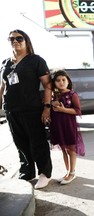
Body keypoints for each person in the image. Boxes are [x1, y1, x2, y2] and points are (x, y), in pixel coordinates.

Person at [0, 29, 53, 189]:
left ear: (26, 40)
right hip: (11, 110)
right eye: (11, 39)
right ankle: (27, 172)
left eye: (19, 38)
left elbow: (47, 85)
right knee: (20, 143)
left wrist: (47, 108)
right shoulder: (5, 63)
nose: (15, 41)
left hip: (32, 108)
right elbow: (2, 86)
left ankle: (45, 173)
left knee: (37, 142)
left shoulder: (36, 60)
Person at [49, 69, 85, 185]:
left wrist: (63, 109)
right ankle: (67, 172)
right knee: (63, 149)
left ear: (68, 81)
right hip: (57, 125)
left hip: (68, 125)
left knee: (71, 149)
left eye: (63, 80)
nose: (61, 82)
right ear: (54, 83)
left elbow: (78, 111)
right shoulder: (53, 95)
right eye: (58, 80)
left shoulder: (72, 94)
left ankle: (72, 172)